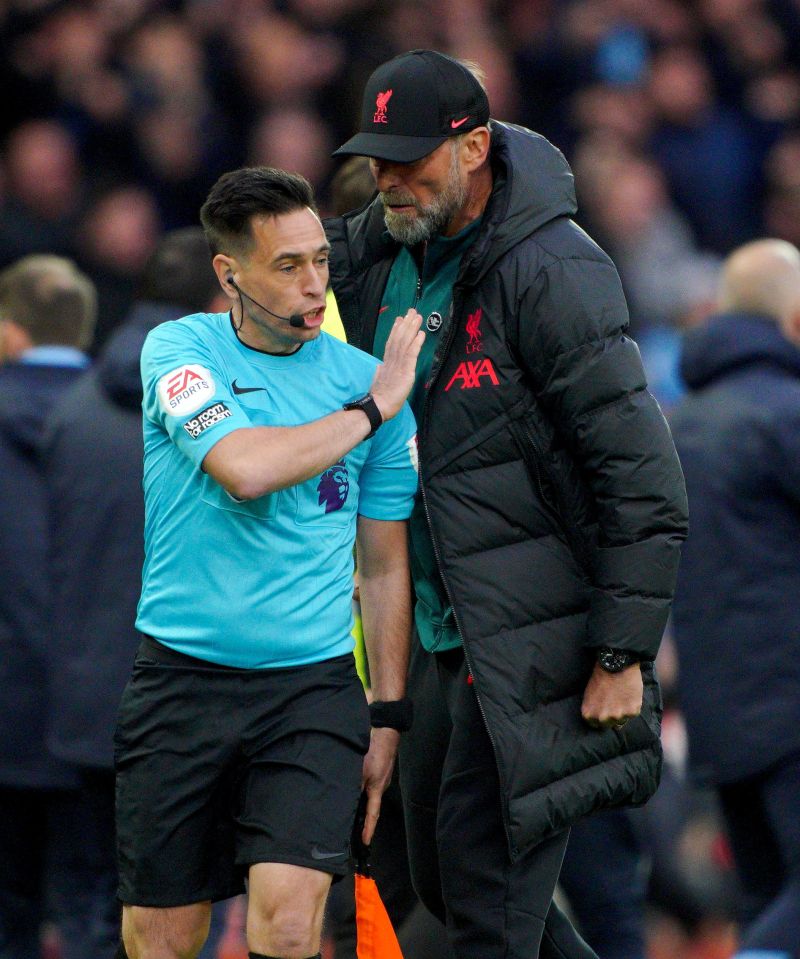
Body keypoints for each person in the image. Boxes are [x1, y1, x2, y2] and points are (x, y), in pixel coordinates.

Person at [326, 49, 689, 959]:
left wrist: (620, 650)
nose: (388, 181)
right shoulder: (371, 255)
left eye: (410, 159)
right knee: (449, 889)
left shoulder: (555, 268)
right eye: (377, 158)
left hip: (537, 642)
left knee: (485, 904)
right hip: (436, 637)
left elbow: (642, 478)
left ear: (477, 146)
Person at [114, 166, 423, 959]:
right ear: (229, 274)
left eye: (320, 259)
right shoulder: (179, 350)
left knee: (288, 924)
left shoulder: (366, 383)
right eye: (288, 266)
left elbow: (385, 566)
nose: (314, 283)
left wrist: (387, 712)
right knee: (163, 937)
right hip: (181, 679)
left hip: (309, 691)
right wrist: (370, 410)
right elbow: (245, 469)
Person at [41, 228, 229, 959]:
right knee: (185, 912)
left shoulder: (74, 410)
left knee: (92, 904)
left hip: (85, 702)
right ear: (215, 299)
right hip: (185, 699)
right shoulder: (222, 418)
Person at [670, 238, 800, 959]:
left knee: (763, 897)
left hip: (719, 712)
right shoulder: (787, 413)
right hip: (791, 702)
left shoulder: (676, 426)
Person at [0, 254, 96, 958]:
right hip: (104, 718)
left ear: (8, 332)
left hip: (8, 713)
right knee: (99, 911)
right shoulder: (137, 420)